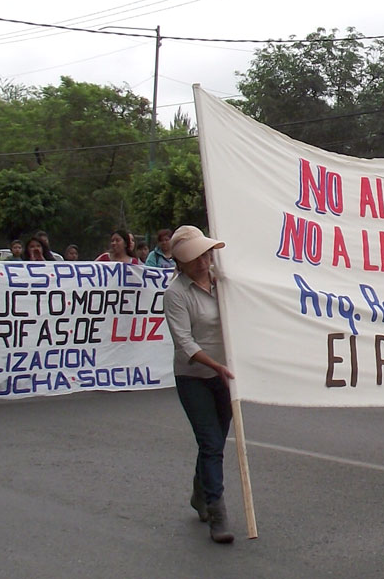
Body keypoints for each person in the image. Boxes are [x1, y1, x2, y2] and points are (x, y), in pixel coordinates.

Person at [163, 225, 235, 544]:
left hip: (225, 376)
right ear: (181, 262)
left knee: (215, 441)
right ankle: (217, 513)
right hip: (194, 378)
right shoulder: (176, 294)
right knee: (210, 443)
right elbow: (185, 343)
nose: (203, 261)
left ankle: (200, 493)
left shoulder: (224, 281)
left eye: (205, 254)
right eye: (194, 257)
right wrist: (216, 365)